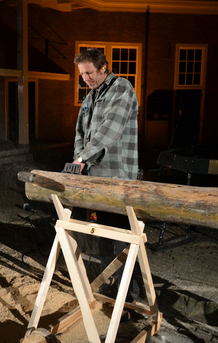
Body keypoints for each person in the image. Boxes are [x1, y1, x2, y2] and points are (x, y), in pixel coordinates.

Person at [72, 48, 140, 319]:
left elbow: (110, 130)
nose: (85, 78)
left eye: (89, 72)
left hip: (118, 179)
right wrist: (79, 158)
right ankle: (110, 288)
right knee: (101, 236)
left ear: (104, 68)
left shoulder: (121, 89)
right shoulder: (90, 96)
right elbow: (80, 132)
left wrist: (84, 157)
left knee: (122, 241)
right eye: (82, 74)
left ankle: (130, 299)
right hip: (94, 180)